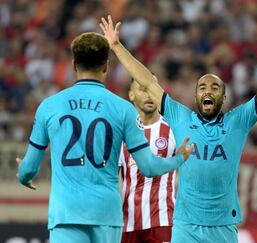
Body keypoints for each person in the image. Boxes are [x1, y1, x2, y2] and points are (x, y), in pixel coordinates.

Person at [100, 15, 257, 242]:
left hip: (223, 227)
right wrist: (117, 46)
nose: (208, 90)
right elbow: (148, 82)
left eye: (215, 87)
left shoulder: (238, 121)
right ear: (196, 96)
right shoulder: (179, 116)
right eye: (202, 87)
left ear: (223, 97)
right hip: (185, 227)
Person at [15, 32, 193, 243]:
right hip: (107, 215)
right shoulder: (123, 109)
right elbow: (149, 167)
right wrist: (179, 158)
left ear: (73, 65)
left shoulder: (49, 106)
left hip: (66, 213)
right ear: (106, 66)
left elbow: (29, 168)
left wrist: (24, 176)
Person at [119, 79, 177, 243]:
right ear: (131, 95)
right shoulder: (121, 134)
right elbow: (115, 178)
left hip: (164, 222)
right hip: (128, 223)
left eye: (152, 89)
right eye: (143, 89)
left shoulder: (173, 130)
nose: (149, 95)